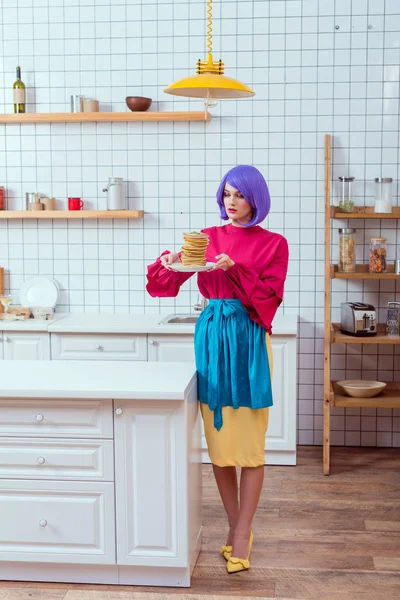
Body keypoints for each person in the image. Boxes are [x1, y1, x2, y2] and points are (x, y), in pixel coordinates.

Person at [146, 164, 289, 574]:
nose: (231, 201)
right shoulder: (205, 238)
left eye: (240, 195)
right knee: (221, 445)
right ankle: (236, 527)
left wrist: (233, 269)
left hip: (248, 342)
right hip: (211, 340)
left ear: (255, 199)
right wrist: (170, 262)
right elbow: (163, 285)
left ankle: (243, 531)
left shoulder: (274, 243)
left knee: (250, 445)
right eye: (226, 193)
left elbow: (268, 298)